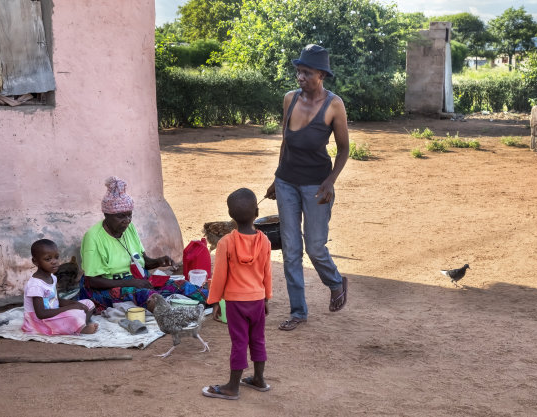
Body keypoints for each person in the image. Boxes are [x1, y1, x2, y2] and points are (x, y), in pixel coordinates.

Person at [265, 44, 349, 331]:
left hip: (317, 184)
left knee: (314, 246)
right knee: (290, 249)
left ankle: (335, 281)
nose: (300, 77)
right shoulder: (290, 99)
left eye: (307, 72)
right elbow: (286, 142)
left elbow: (344, 150)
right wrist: (277, 177)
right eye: (298, 71)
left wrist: (330, 182)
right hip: (287, 181)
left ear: (321, 75)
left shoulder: (333, 105)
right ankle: (298, 311)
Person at [78, 176, 206, 313]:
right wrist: (131, 282)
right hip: (106, 289)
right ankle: (174, 316)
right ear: (106, 215)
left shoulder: (129, 228)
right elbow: (93, 282)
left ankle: (216, 302)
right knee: (149, 297)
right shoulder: (93, 238)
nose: (127, 221)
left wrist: (158, 261)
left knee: (182, 285)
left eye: (129, 215)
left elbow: (142, 261)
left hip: (137, 280)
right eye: (121, 216)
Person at [202, 188, 272, 400]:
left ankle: (233, 387)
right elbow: (267, 273)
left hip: (235, 302)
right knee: (257, 340)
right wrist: (267, 297)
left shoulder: (226, 243)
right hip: (257, 300)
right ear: (257, 212)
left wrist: (214, 301)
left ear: (231, 216)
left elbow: (220, 275)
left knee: (239, 342)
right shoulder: (265, 241)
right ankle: (259, 379)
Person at [22, 239, 98, 335]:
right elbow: (41, 314)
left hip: (55, 314)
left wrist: (74, 304)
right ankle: (79, 327)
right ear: (35, 261)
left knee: (88, 304)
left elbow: (56, 300)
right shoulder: (36, 285)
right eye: (48, 259)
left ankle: (78, 325)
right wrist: (71, 308)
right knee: (74, 313)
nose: (54, 262)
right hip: (40, 322)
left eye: (56, 257)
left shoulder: (53, 277)